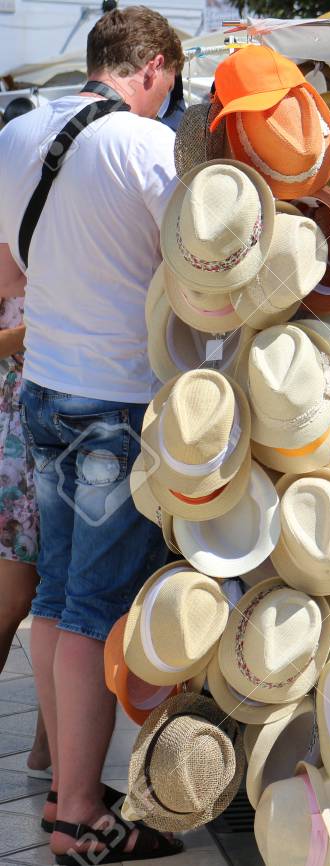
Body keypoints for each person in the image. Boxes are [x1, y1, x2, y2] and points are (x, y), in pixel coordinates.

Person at [0, 6, 183, 862]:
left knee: (53, 596)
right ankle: (80, 812)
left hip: (43, 390)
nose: (167, 101)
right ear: (150, 67)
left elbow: (11, 265)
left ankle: (61, 784)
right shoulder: (147, 148)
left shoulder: (17, 132)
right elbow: (194, 270)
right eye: (169, 86)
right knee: (94, 607)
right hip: (116, 404)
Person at [0, 289, 51, 781]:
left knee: (63, 602)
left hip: (68, 433)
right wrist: (28, 336)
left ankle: (47, 753)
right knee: (11, 602)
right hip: (14, 442)